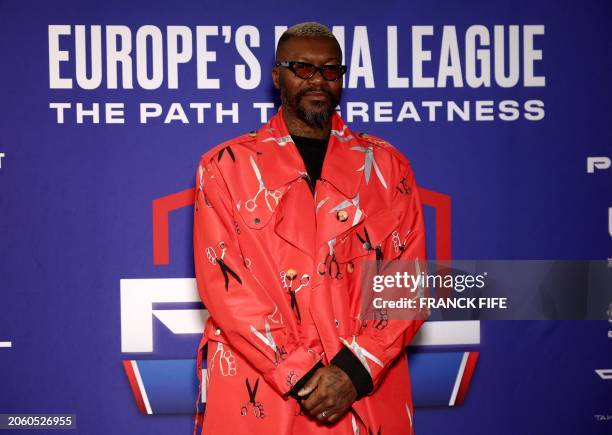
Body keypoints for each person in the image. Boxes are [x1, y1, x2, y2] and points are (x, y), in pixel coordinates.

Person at [193, 21, 427, 435]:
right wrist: (299, 373)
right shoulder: (226, 167)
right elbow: (226, 289)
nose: (317, 79)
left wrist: (353, 372)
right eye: (302, 68)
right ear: (276, 76)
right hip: (263, 395)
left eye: (330, 69)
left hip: (361, 395)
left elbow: (406, 284)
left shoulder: (389, 168)